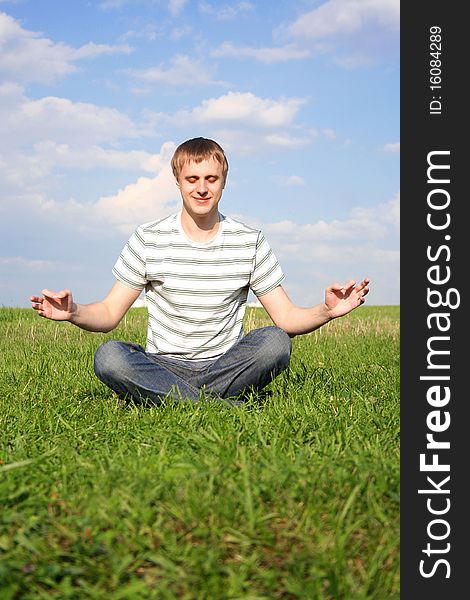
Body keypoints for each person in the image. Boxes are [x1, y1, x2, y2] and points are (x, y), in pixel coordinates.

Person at [30, 137, 370, 406]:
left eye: (211, 178)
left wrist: (327, 311)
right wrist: (73, 312)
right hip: (162, 365)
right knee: (110, 357)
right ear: (178, 181)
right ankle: (216, 405)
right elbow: (108, 313)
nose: (202, 188)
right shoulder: (149, 238)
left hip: (226, 366)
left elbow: (286, 319)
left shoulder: (248, 240)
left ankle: (167, 399)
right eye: (192, 179)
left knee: (275, 342)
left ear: (224, 182)